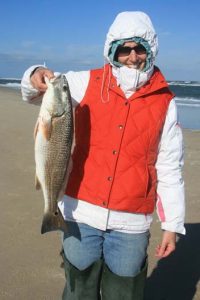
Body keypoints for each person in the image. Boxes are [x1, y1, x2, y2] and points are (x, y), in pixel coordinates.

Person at [21, 11, 185, 300]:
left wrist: (172, 224)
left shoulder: (165, 102)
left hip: (131, 222)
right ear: (112, 50)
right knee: (78, 288)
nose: (132, 57)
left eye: (139, 48)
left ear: (151, 49)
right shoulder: (85, 82)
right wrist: (34, 74)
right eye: (124, 49)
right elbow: (38, 91)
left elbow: (170, 167)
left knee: (124, 293)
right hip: (79, 211)